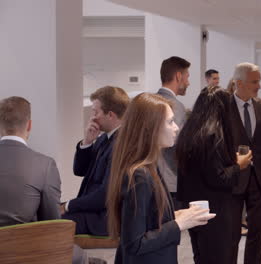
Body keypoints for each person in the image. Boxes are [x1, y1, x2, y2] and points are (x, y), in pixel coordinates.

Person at [107, 93, 215, 264]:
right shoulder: (140, 176)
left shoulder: (149, 167)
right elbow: (134, 243)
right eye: (170, 122)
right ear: (151, 128)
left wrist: (177, 215)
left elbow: (148, 219)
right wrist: (179, 224)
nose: (177, 128)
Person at [0, 96, 87, 264]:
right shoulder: (44, 164)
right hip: (25, 251)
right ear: (29, 124)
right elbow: (52, 221)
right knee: (79, 255)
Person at [177, 86, 252, 264]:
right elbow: (219, 178)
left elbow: (204, 169)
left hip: (193, 205)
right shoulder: (213, 135)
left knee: (201, 256)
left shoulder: (190, 131)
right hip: (214, 208)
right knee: (218, 257)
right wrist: (238, 165)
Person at [62, 86, 129, 236]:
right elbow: (79, 170)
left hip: (105, 219)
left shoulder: (123, 144)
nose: (92, 117)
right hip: (93, 212)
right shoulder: (103, 139)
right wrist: (87, 142)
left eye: (95, 112)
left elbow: (105, 195)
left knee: (53, 224)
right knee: (49, 218)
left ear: (110, 115)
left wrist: (68, 205)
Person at [229, 62, 261, 264]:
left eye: (259, 81)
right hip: (233, 179)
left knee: (257, 235)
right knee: (231, 235)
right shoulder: (224, 107)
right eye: (254, 82)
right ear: (239, 83)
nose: (259, 86)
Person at [156, 56, 191, 210]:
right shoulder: (175, 106)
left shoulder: (150, 102)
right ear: (178, 76)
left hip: (151, 178)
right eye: (187, 77)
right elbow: (176, 146)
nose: (188, 83)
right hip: (170, 180)